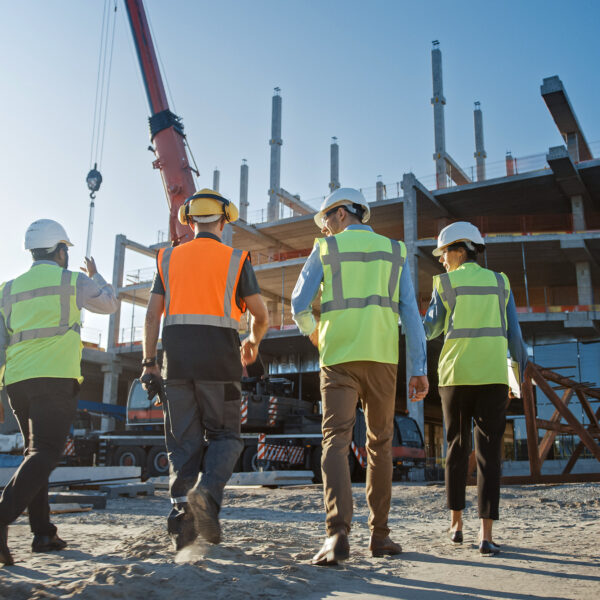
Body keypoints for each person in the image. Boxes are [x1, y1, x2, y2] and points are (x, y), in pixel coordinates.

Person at [291, 188, 429, 566]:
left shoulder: (326, 249)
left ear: (338, 214)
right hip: (383, 359)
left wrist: (315, 333)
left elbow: (298, 303)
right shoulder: (395, 251)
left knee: (335, 442)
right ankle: (380, 536)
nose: (326, 229)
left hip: (337, 358)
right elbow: (411, 315)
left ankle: (337, 534)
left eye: (326, 222)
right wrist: (419, 368)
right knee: (379, 445)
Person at [142, 188, 269, 551]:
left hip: (177, 367)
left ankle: (183, 530)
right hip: (221, 365)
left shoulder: (167, 258)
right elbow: (261, 316)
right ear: (224, 219)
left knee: (184, 445)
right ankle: (207, 494)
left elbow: (152, 314)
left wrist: (150, 362)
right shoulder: (236, 259)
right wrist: (253, 342)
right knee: (226, 438)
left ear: (189, 220)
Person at [0, 219, 118, 566]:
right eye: (66, 248)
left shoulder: (7, 289)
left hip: (17, 383)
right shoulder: (73, 281)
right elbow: (110, 305)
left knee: (35, 455)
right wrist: (96, 277)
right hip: (53, 379)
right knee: (46, 453)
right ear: (61, 251)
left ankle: (43, 533)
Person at [423, 221, 528, 556]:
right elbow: (515, 338)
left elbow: (429, 330)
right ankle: (486, 535)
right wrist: (516, 378)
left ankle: (455, 526)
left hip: (455, 376)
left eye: (444, 253)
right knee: (489, 455)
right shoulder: (501, 282)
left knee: (455, 448)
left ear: (459, 250)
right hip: (493, 377)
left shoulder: (445, 284)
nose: (441, 260)